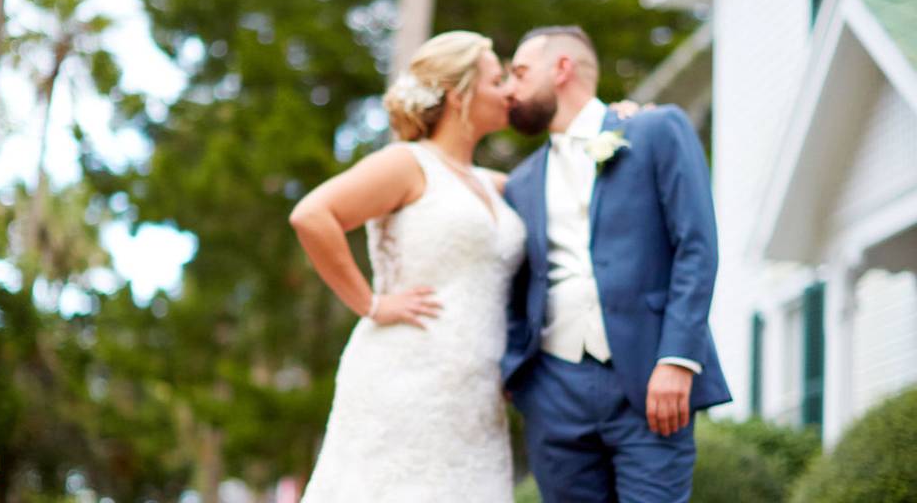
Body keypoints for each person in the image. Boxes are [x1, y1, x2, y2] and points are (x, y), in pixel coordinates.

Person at [289, 31, 525, 501]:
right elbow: (312, 216)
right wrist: (371, 303)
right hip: (406, 379)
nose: (510, 92)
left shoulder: (493, 184)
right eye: (498, 80)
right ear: (460, 95)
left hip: (476, 399)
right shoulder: (407, 163)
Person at [503, 25, 732, 503]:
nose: (510, 89)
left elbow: (697, 246)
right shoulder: (521, 182)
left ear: (561, 69)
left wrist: (677, 359)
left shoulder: (654, 131)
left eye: (520, 74)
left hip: (651, 380)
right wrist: (518, 376)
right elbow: (514, 282)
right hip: (553, 389)